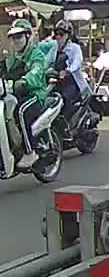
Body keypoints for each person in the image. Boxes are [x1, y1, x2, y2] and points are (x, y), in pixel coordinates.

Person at [5, 19, 56, 168]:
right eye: (13, 37)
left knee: (20, 112)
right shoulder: (12, 58)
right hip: (14, 94)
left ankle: (30, 152)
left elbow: (36, 71)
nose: (16, 41)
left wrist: (25, 81)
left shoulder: (36, 54)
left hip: (35, 94)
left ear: (28, 36)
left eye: (19, 36)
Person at [50, 20, 89, 122]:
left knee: (65, 99)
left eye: (61, 34)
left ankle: (67, 123)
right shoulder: (54, 48)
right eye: (56, 34)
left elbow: (77, 62)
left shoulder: (75, 48)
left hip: (72, 82)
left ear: (68, 36)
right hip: (57, 81)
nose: (58, 37)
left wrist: (68, 71)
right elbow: (46, 62)